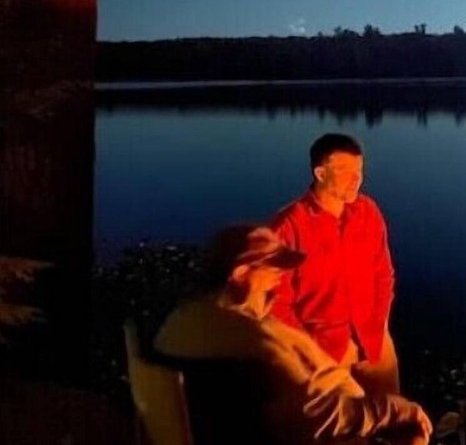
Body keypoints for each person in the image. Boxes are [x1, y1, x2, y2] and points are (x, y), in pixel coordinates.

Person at [154, 225, 432, 445]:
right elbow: (315, 418)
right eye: (272, 267)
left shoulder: (183, 322)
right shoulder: (256, 343)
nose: (280, 275)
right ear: (240, 273)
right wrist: (395, 410)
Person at [271, 133, 400, 396]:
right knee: (344, 421)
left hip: (374, 344)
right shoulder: (288, 227)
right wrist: (311, 351)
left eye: (359, 171)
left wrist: (380, 324)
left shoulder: (368, 212)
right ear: (320, 173)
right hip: (325, 355)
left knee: (396, 415)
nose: (356, 180)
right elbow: (276, 303)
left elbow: (383, 275)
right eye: (345, 172)